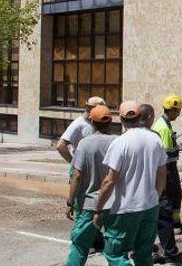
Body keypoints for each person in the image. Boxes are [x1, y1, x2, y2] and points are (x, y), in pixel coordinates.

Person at [93, 101, 171, 266]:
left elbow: (109, 181)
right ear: (139, 117)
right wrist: (155, 196)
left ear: (120, 118)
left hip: (125, 208)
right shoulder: (155, 140)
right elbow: (162, 173)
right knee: (143, 254)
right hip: (149, 206)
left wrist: (98, 209)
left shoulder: (120, 143)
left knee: (115, 253)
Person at [65, 105, 117, 266]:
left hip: (89, 204)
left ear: (91, 122)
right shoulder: (118, 142)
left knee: (80, 246)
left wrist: (70, 202)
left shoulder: (84, 144)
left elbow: (77, 175)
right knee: (115, 250)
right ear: (110, 122)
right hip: (114, 204)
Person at [151, 94, 182, 263]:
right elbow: (166, 153)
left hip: (169, 166)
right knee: (169, 199)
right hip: (167, 168)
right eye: (178, 111)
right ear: (172, 109)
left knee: (176, 196)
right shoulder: (163, 128)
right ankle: (171, 228)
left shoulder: (165, 125)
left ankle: (176, 223)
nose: (179, 114)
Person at [57, 96, 107, 175]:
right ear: (91, 108)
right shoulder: (78, 124)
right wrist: (75, 164)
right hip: (82, 172)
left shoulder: (94, 123)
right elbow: (60, 146)